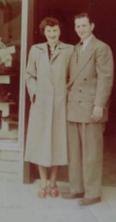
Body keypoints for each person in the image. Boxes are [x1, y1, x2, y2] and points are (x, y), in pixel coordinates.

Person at [62, 13, 114, 206]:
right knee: (73, 152)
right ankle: (77, 189)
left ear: (92, 25)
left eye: (84, 26)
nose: (81, 30)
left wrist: (99, 105)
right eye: (77, 27)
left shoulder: (101, 48)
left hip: (91, 107)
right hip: (73, 106)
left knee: (91, 153)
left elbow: (105, 79)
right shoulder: (75, 49)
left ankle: (93, 193)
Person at [24, 17, 73, 199]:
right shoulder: (36, 50)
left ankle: (53, 182)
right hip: (41, 104)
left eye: (55, 30)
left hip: (60, 104)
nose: (52, 34)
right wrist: (35, 92)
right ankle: (43, 182)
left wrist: (66, 92)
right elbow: (29, 74)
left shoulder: (69, 50)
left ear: (60, 31)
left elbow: (73, 76)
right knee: (40, 142)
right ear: (44, 33)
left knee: (57, 142)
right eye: (48, 31)